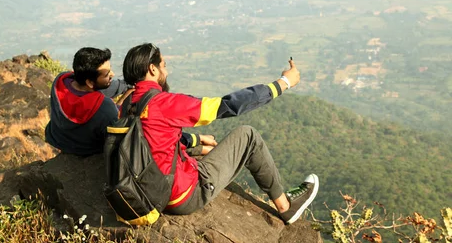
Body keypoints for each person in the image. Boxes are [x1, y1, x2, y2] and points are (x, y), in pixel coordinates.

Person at [121, 43, 319, 224]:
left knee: (210, 150)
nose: (166, 70)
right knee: (247, 136)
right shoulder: (164, 103)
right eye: (164, 65)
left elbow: (152, 139)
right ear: (152, 69)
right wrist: (283, 83)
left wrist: (198, 142)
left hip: (145, 191)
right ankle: (286, 207)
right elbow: (227, 105)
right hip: (180, 195)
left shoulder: (126, 103)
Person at [45, 47, 131, 155]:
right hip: (86, 150)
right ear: (90, 82)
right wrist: (122, 104)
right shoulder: (104, 108)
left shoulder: (60, 81)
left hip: (58, 139)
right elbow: (116, 138)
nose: (112, 74)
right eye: (106, 74)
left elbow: (102, 88)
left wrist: (126, 85)